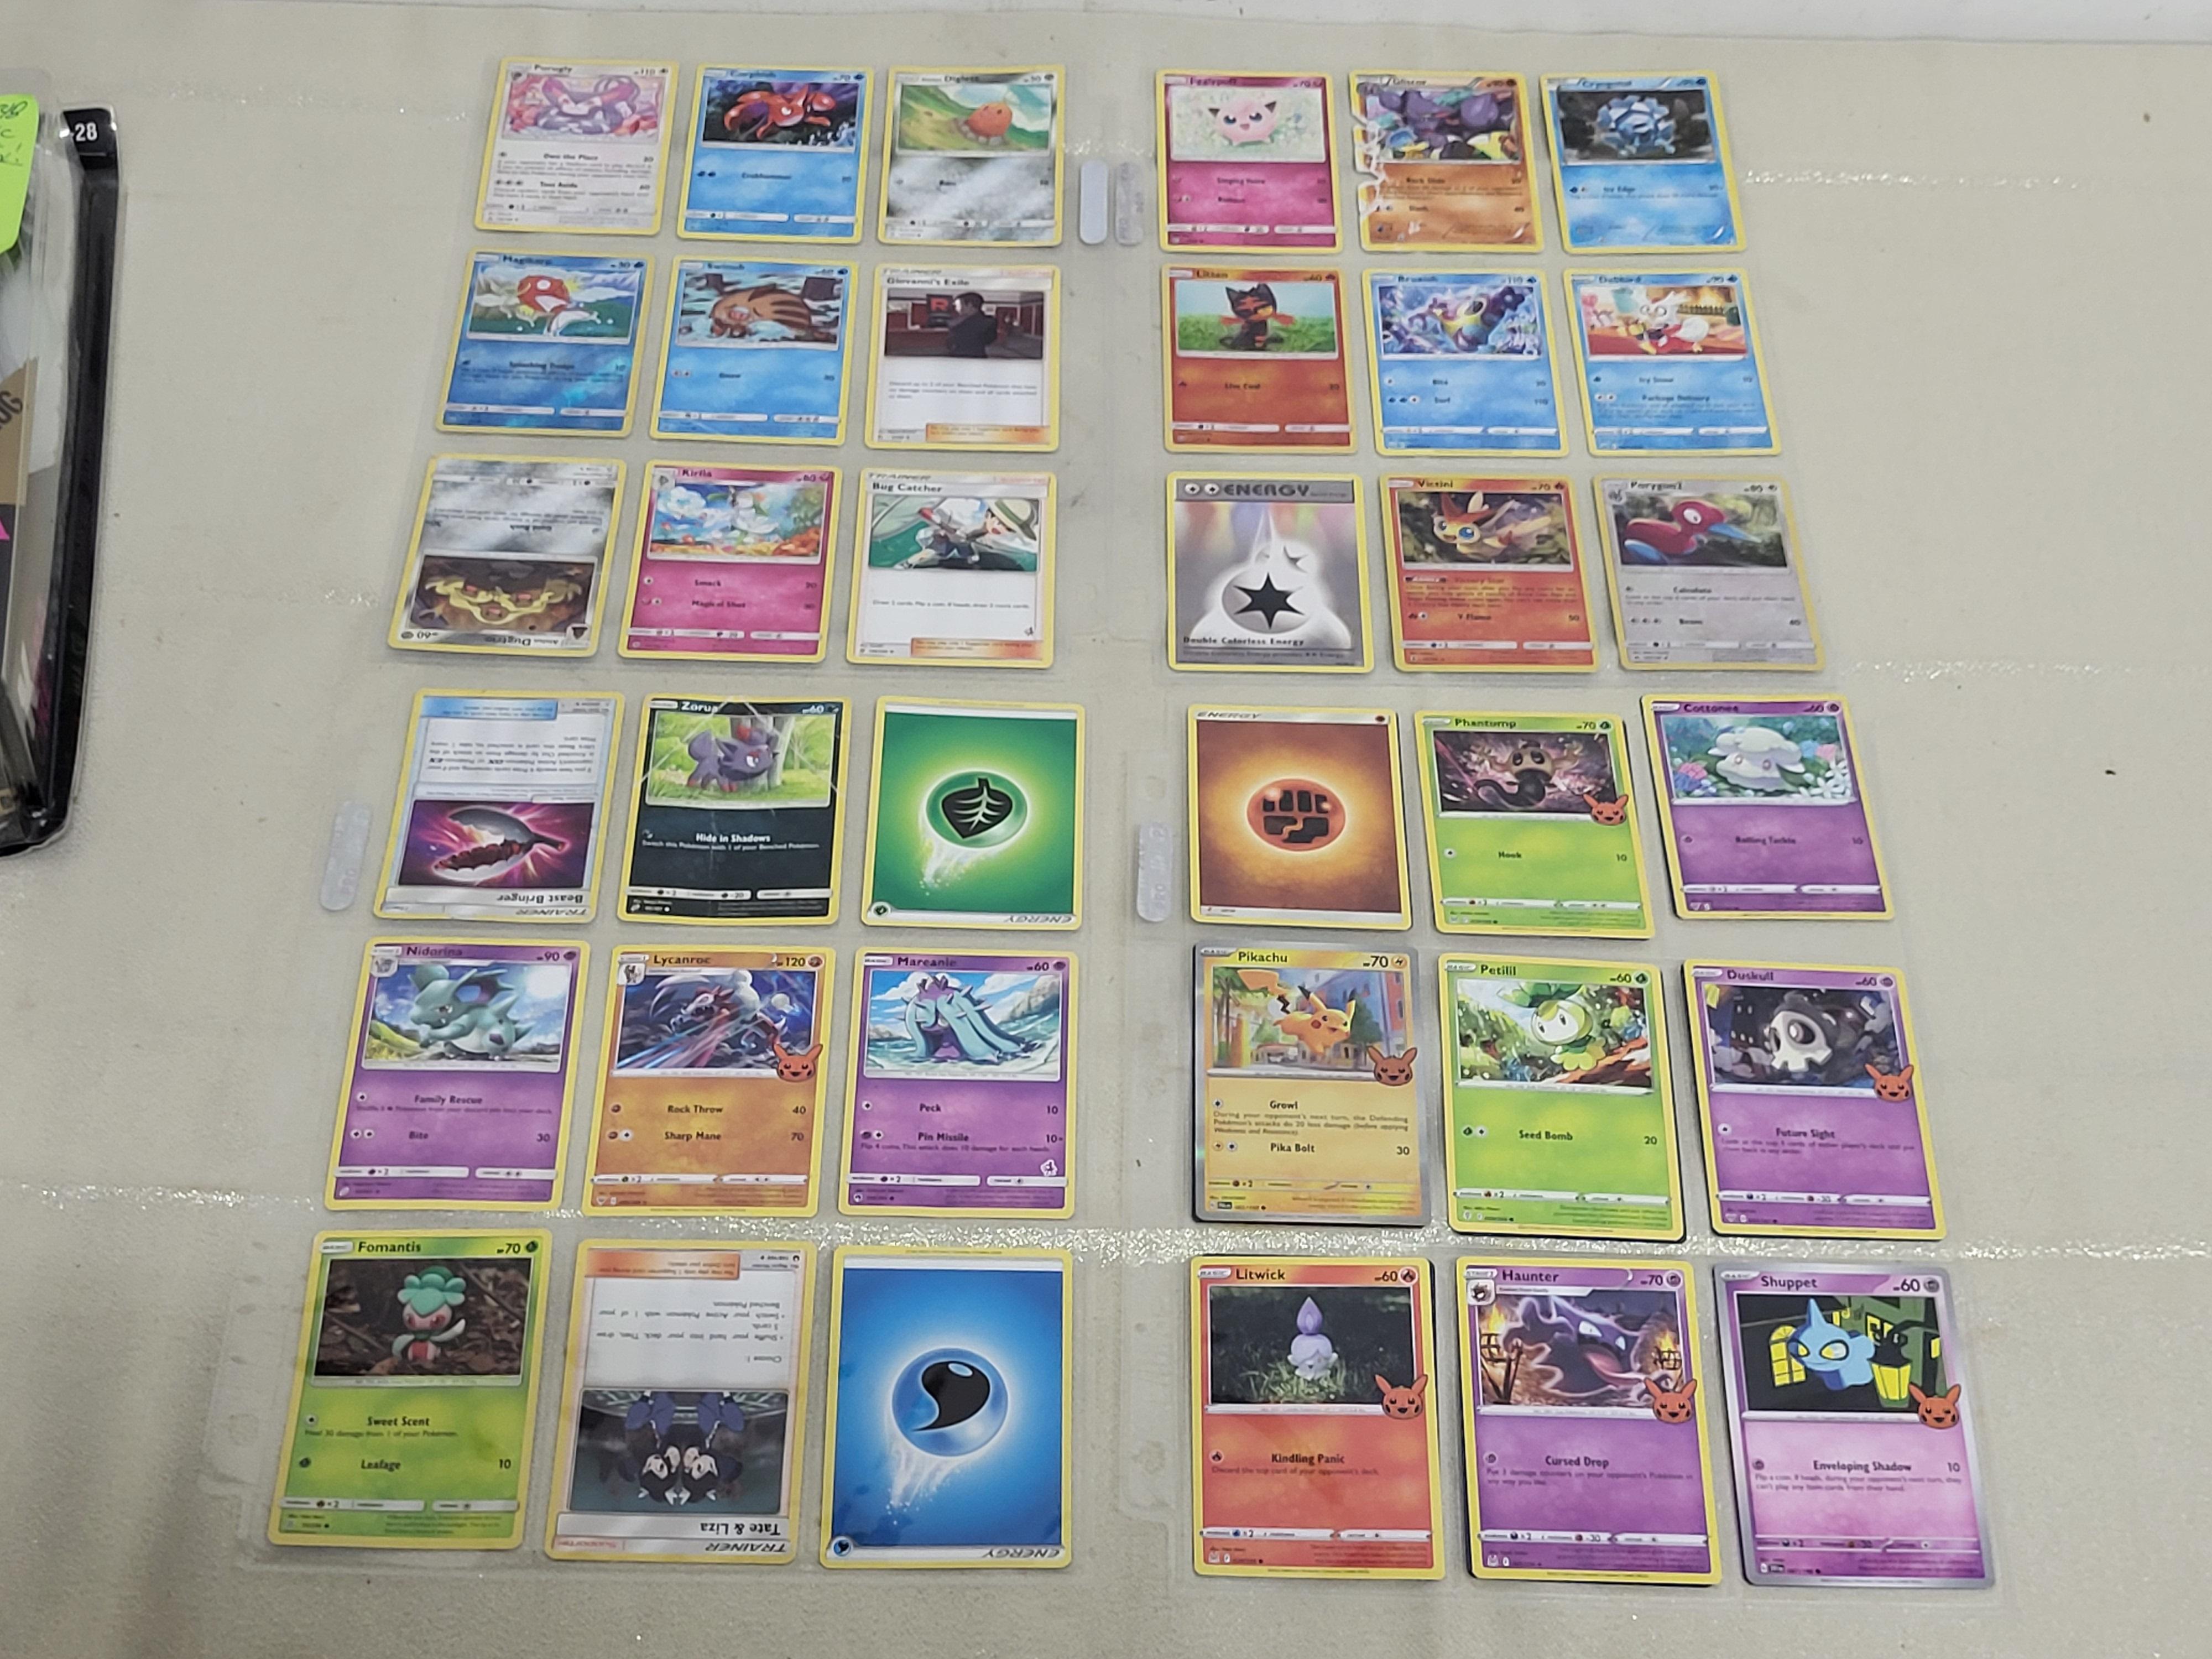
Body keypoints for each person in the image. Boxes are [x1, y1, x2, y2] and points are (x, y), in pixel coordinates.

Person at [945, 291, 998, 358]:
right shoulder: (988, 322)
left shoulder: (983, 324)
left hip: (966, 358)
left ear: (970, 305)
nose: (957, 309)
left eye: (960, 305)